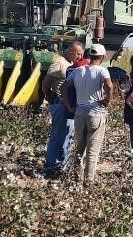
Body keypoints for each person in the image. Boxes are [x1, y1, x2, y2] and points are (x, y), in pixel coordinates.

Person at [61, 44, 113, 182]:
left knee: (79, 148)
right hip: (96, 113)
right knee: (92, 151)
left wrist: (69, 106)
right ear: (102, 57)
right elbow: (109, 86)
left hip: (79, 113)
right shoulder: (103, 71)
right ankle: (88, 182)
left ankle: (74, 177)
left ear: (89, 55)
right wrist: (106, 101)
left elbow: (63, 87)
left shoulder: (78, 71)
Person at [40, 41, 84, 177]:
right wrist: (49, 97)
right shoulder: (59, 64)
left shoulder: (71, 64)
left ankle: (62, 165)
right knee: (58, 135)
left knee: (68, 135)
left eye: (81, 55)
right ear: (71, 50)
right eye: (78, 54)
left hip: (68, 105)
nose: (79, 57)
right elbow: (45, 83)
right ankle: (50, 165)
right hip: (59, 103)